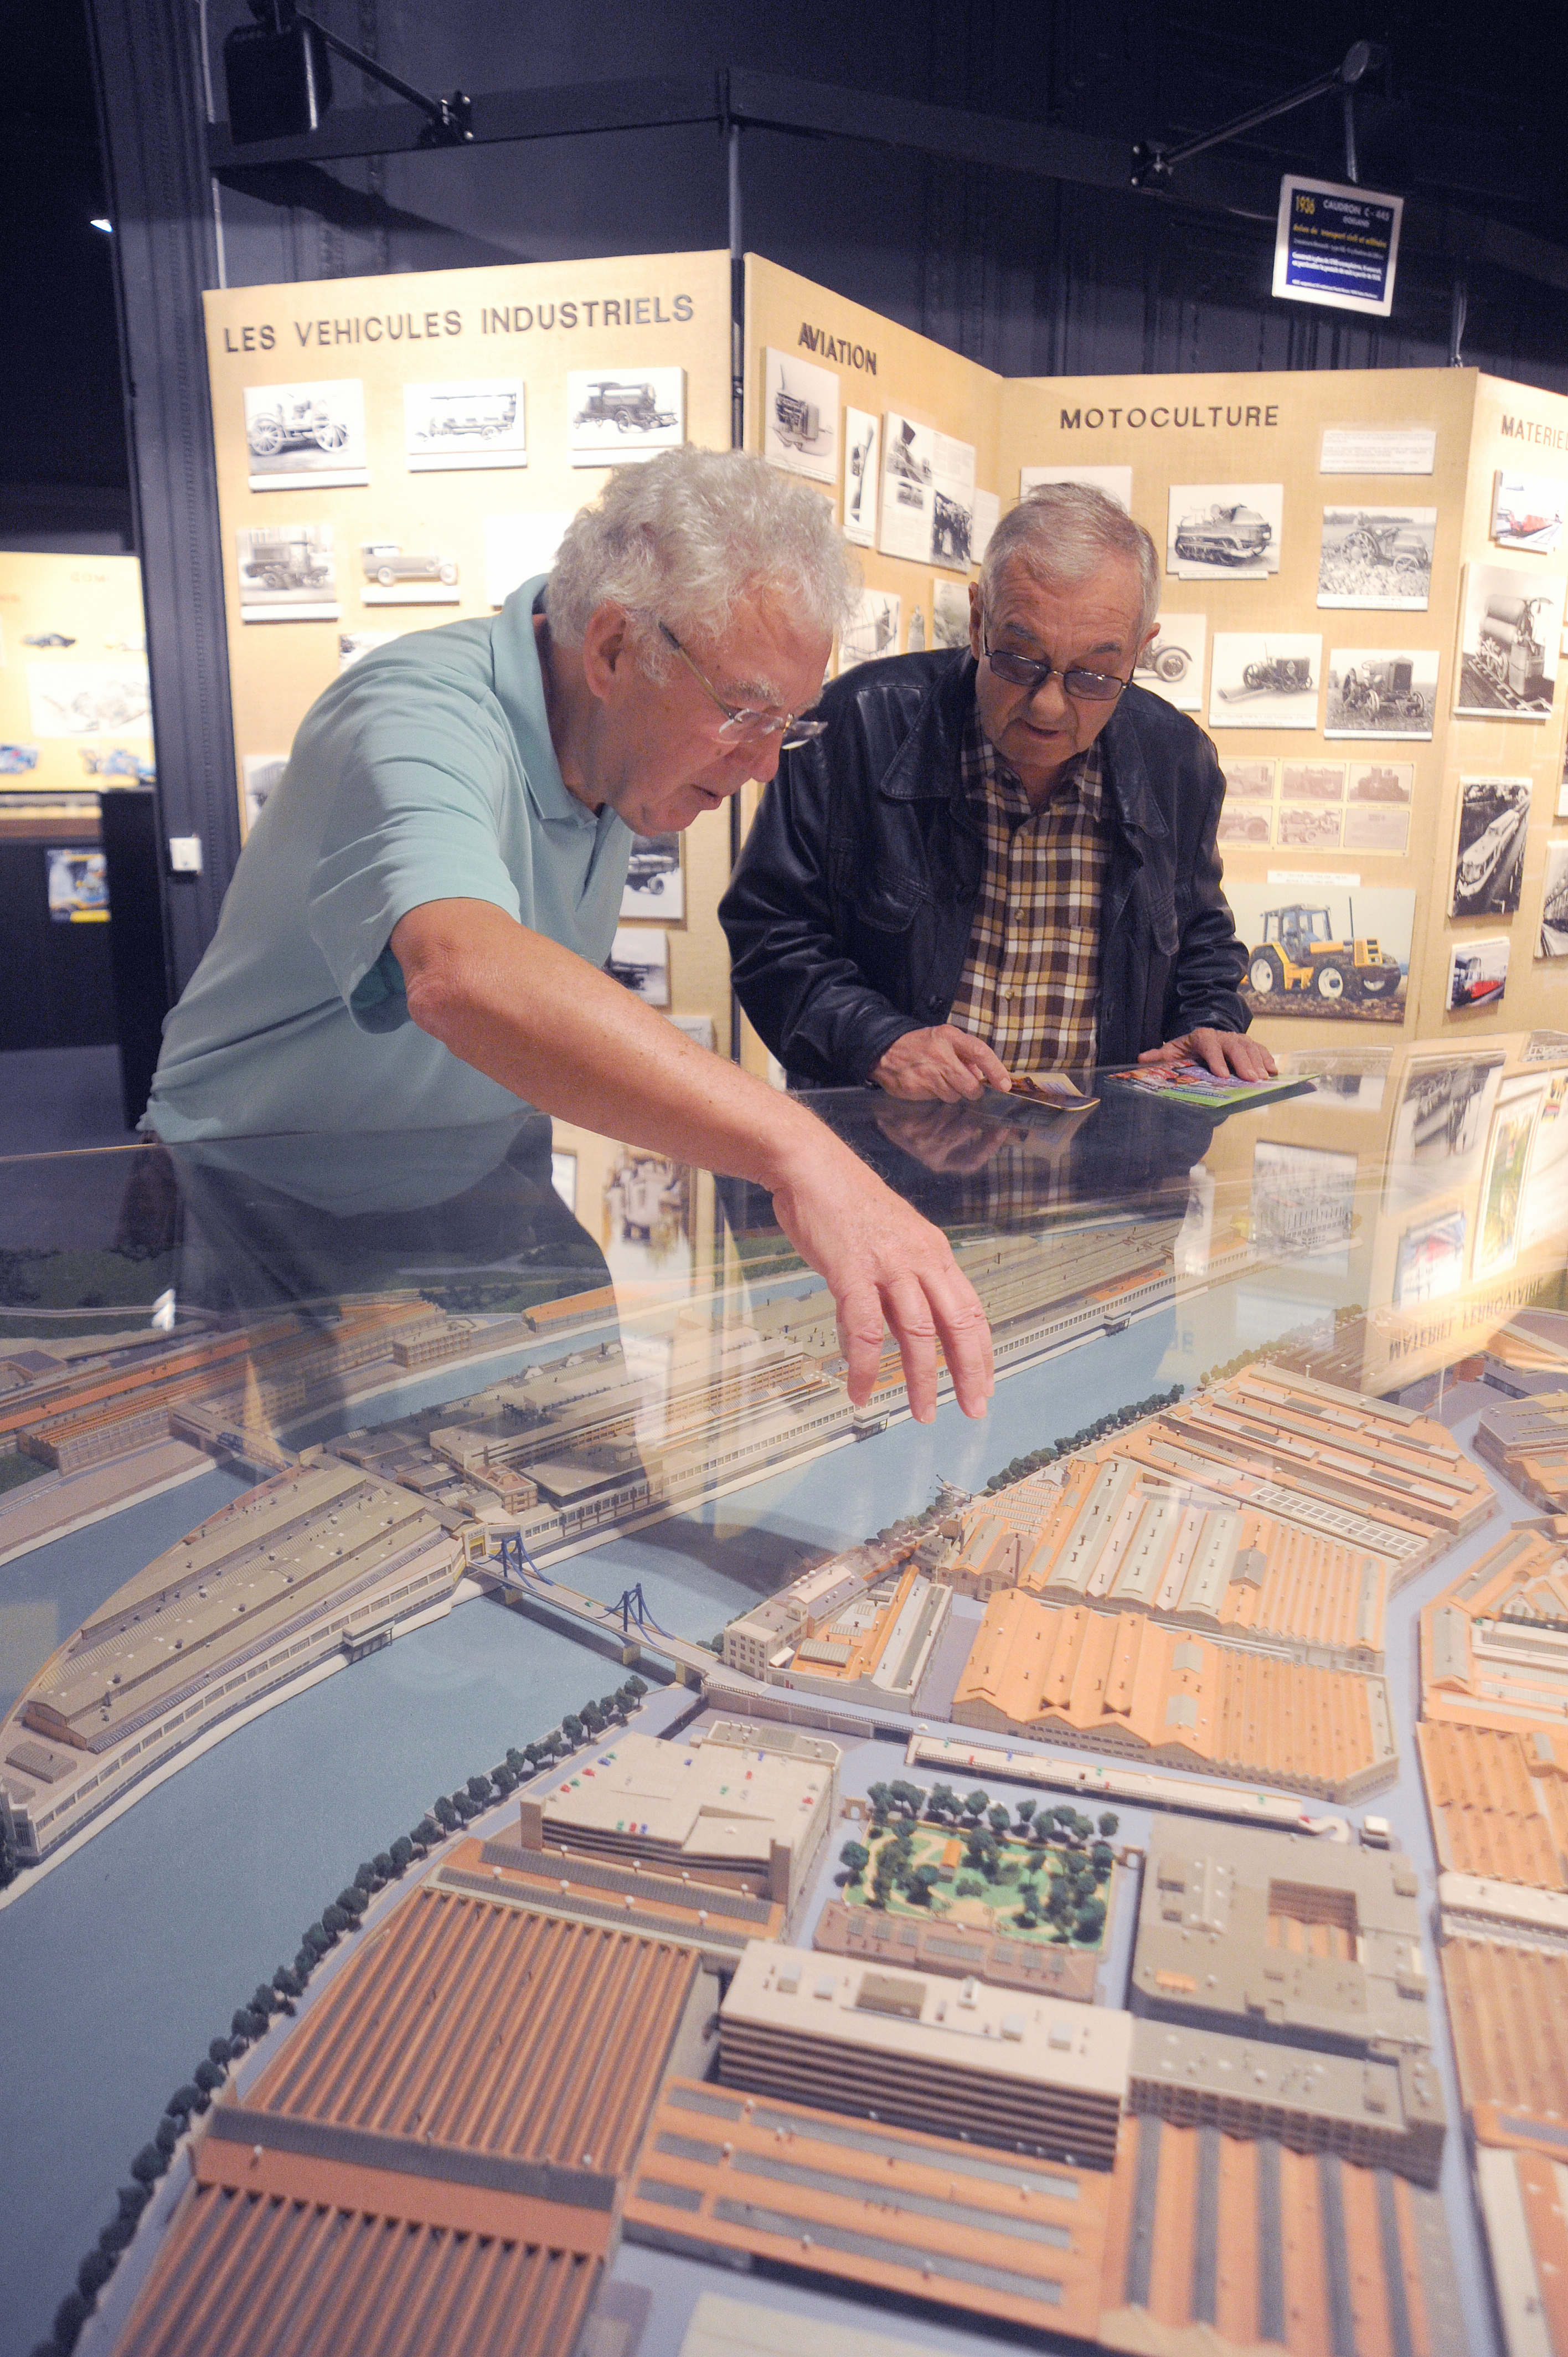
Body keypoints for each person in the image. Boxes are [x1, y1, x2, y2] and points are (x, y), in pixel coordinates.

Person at [142, 449, 991, 1423]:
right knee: (311, 1522)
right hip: (260, 1189)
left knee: (580, 1433)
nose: (764, 765)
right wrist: (797, 1150)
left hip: (471, 1164)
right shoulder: (415, 711)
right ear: (615, 649)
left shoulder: (608, 752)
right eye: (745, 713)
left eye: (786, 725)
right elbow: (459, 973)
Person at [720, 481, 1275, 1101]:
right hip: (887, 1153)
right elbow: (771, 932)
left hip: (1100, 1167)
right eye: (1018, 658)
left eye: (1093, 675)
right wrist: (878, 1041)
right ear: (979, 617)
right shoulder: (858, 725)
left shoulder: (1177, 760)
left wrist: (1210, 1024)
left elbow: (1199, 936)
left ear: (1141, 652)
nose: (1048, 703)